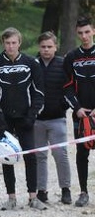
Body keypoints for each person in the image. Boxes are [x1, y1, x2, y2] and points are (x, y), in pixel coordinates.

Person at [0, 27, 46, 211]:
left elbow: (39, 93)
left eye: (14, 43)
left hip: (25, 118)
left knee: (30, 157)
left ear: (19, 43)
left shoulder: (32, 63)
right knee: (7, 158)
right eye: (7, 43)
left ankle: (33, 197)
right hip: (4, 119)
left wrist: (32, 115)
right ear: (3, 43)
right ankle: (11, 198)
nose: (11, 47)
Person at [34, 31, 72, 204]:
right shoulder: (32, 64)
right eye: (43, 47)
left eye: (49, 47)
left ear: (55, 47)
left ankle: (66, 189)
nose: (46, 50)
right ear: (39, 47)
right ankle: (41, 191)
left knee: (60, 154)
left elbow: (70, 88)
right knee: (40, 156)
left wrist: (63, 105)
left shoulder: (63, 64)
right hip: (37, 120)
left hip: (57, 118)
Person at [62, 16, 95, 207]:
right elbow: (66, 86)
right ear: (76, 33)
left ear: (93, 31)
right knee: (82, 153)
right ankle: (83, 192)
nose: (84, 36)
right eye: (81, 33)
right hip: (81, 114)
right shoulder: (71, 57)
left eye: (87, 32)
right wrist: (77, 108)